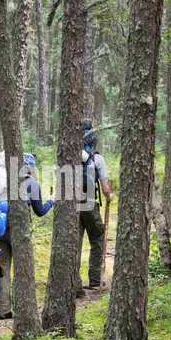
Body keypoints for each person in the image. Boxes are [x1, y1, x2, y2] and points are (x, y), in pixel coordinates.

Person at [0, 153, 54, 320]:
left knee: (1, 269)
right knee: (22, 268)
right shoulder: (31, 183)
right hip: (18, 230)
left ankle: (3, 309)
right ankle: (22, 308)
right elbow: (40, 212)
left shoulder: (1, 181)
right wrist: (51, 201)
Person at [75, 124, 113, 297]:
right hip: (89, 201)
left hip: (71, 202)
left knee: (74, 243)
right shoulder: (97, 159)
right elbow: (105, 187)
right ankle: (95, 279)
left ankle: (74, 283)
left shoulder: (68, 156)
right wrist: (109, 197)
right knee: (97, 237)